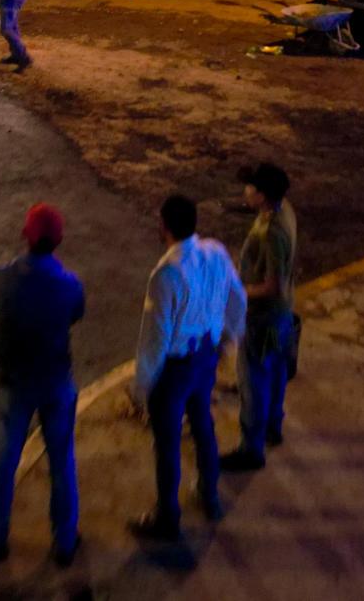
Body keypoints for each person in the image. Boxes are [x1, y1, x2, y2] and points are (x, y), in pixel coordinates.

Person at [129, 195, 245, 543]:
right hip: (205, 356)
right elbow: (237, 298)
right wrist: (227, 340)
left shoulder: (166, 273)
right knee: (202, 424)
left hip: (176, 369)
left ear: (164, 225)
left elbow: (155, 338)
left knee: (166, 443)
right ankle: (208, 494)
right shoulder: (216, 252)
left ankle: (168, 515)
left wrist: (141, 385)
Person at [0, 203, 85, 567]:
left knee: (5, 460)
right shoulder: (70, 285)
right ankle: (65, 541)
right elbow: (75, 315)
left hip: (13, 384)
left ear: (25, 235)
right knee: (61, 461)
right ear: (59, 240)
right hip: (56, 383)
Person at [223, 163, 297, 472]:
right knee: (276, 370)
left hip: (263, 317)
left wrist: (237, 291)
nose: (246, 191)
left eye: (251, 188)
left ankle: (251, 449)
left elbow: (272, 286)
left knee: (251, 382)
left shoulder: (271, 233)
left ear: (263, 196)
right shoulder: (285, 211)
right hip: (282, 316)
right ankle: (273, 427)